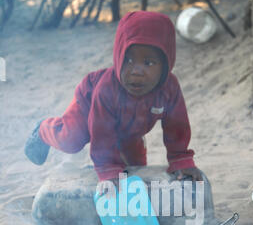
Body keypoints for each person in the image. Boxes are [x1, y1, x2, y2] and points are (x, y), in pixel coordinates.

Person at [25, 11, 202, 191]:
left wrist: (180, 160)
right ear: (118, 56)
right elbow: (102, 133)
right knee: (71, 140)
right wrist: (108, 171)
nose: (136, 71)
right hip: (90, 107)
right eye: (129, 60)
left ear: (166, 64)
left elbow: (177, 127)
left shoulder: (169, 87)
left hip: (130, 126)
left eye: (149, 63)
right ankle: (43, 129)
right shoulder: (106, 89)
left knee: (134, 167)